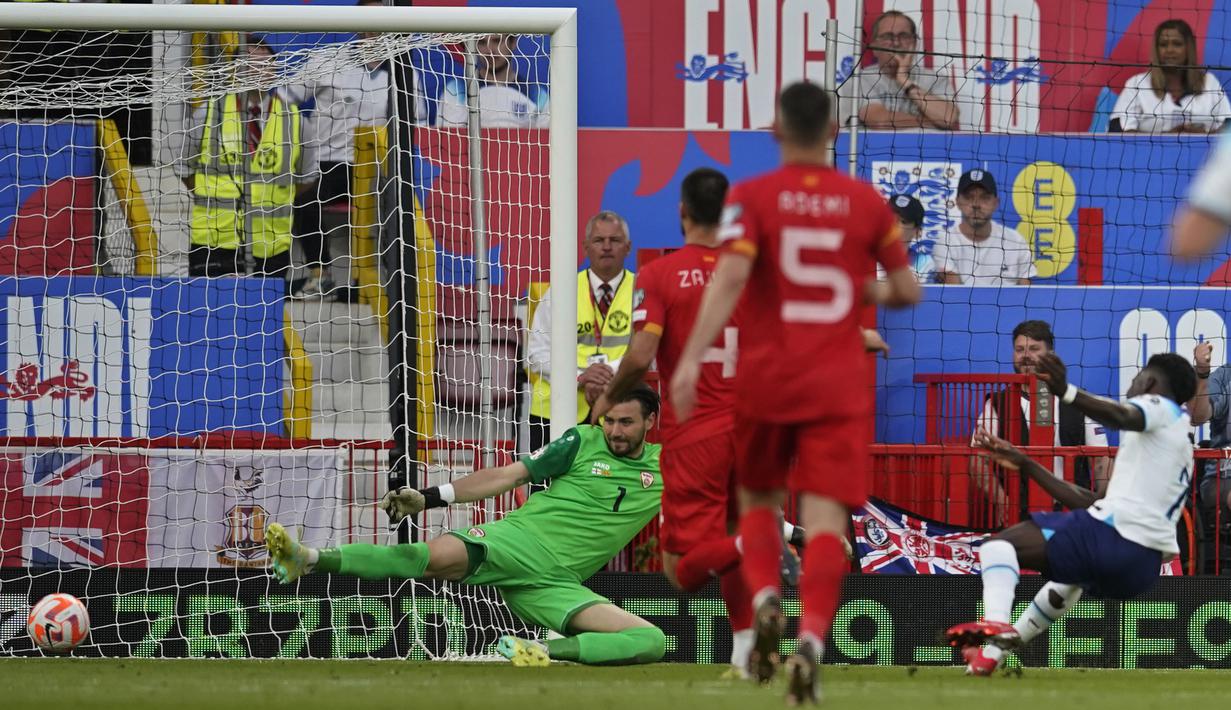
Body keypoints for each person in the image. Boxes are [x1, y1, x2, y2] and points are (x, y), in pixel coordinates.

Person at [670, 81, 921, 703]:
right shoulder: (864, 203)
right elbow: (907, 290)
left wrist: (690, 359)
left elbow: (731, 276)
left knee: (757, 503)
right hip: (836, 382)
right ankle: (809, 641)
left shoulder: (752, 197)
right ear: (833, 130)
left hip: (767, 379)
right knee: (826, 521)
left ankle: (763, 599)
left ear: (777, 130)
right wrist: (855, 289)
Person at [587, 168, 812, 678]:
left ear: (682, 212)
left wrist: (610, 398)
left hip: (698, 434)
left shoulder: (661, 275)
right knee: (733, 533)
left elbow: (641, 354)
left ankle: (758, 545)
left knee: (680, 571)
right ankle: (746, 654)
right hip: (757, 430)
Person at [264, 384, 667, 667]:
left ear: (651, 420)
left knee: (651, 641)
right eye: (610, 421)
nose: (615, 431)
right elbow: (507, 476)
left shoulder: (668, 466)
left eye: (626, 423)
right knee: (426, 558)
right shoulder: (582, 441)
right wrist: (430, 497)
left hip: (557, 585)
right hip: (518, 543)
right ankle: (309, 558)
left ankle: (540, 651)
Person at [947, 352, 1196, 676]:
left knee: (999, 546)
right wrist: (1027, 464)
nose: (1132, 384)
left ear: (1149, 382)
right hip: (1140, 570)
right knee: (1069, 581)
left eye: (1137, 377)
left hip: (1115, 541)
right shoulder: (1176, 444)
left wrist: (1065, 391)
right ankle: (992, 656)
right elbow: (1095, 503)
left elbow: (1120, 414)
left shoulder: (1160, 408)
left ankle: (996, 622)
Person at [176, 34, 319, 282]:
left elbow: (306, 179)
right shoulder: (208, 113)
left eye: (265, 63)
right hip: (214, 241)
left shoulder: (296, 121)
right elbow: (185, 170)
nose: (258, 70)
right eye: (250, 63)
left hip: (271, 245)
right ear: (234, 71)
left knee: (264, 308)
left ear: (275, 69)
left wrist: (270, 198)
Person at [284, 0, 391, 299]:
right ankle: (321, 275)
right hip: (327, 162)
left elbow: (415, 124)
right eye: (367, 18)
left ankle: (372, 281)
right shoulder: (328, 60)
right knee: (303, 197)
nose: (373, 27)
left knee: (394, 208)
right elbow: (284, 99)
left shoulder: (402, 73)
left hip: (376, 167)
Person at [969, 320, 1112, 526]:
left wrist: (1103, 507)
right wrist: (1002, 502)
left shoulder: (1080, 401)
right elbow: (977, 461)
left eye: (1034, 349)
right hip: (1019, 515)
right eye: (1019, 350)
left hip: (1073, 514)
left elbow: (1101, 462)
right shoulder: (997, 404)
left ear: (1051, 355)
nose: (1026, 356)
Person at [525, 211, 634, 453]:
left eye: (615, 240)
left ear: (628, 247)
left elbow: (648, 352)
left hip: (620, 412)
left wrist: (605, 376)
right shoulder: (559, 291)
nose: (607, 247)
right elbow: (536, 354)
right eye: (599, 240)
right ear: (585, 247)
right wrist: (580, 377)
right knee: (550, 479)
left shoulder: (642, 291)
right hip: (553, 412)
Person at [842, 10, 959, 130]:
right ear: (874, 47)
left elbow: (948, 118)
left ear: (914, 43)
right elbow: (880, 121)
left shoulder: (935, 79)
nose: (896, 43)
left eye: (904, 36)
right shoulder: (859, 80)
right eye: (887, 36)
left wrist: (904, 80)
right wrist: (934, 122)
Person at [1110, 19, 1231, 134]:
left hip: (1205, 149)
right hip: (1148, 149)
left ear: (1189, 48)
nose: (1170, 50)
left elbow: (1228, 127)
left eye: (1177, 44)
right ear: (1156, 49)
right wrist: (1168, 138)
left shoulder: (1209, 82)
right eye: (1163, 45)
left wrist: (1200, 136)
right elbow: (1116, 130)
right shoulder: (1137, 83)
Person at [932, 169, 1035, 286]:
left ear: (996, 203)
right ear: (958, 202)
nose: (976, 204)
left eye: (984, 197)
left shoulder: (1016, 241)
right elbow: (953, 293)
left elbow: (1026, 292)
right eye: (969, 197)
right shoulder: (945, 243)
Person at [438, 33, 549, 128]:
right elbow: (450, 141)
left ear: (513, 42)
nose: (489, 50)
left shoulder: (538, 95)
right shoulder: (456, 89)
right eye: (482, 42)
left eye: (497, 41)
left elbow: (544, 142)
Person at [888, 194, 935, 282]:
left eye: (903, 221)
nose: (894, 224)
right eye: (890, 218)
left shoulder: (924, 262)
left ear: (917, 232)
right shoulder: (868, 259)